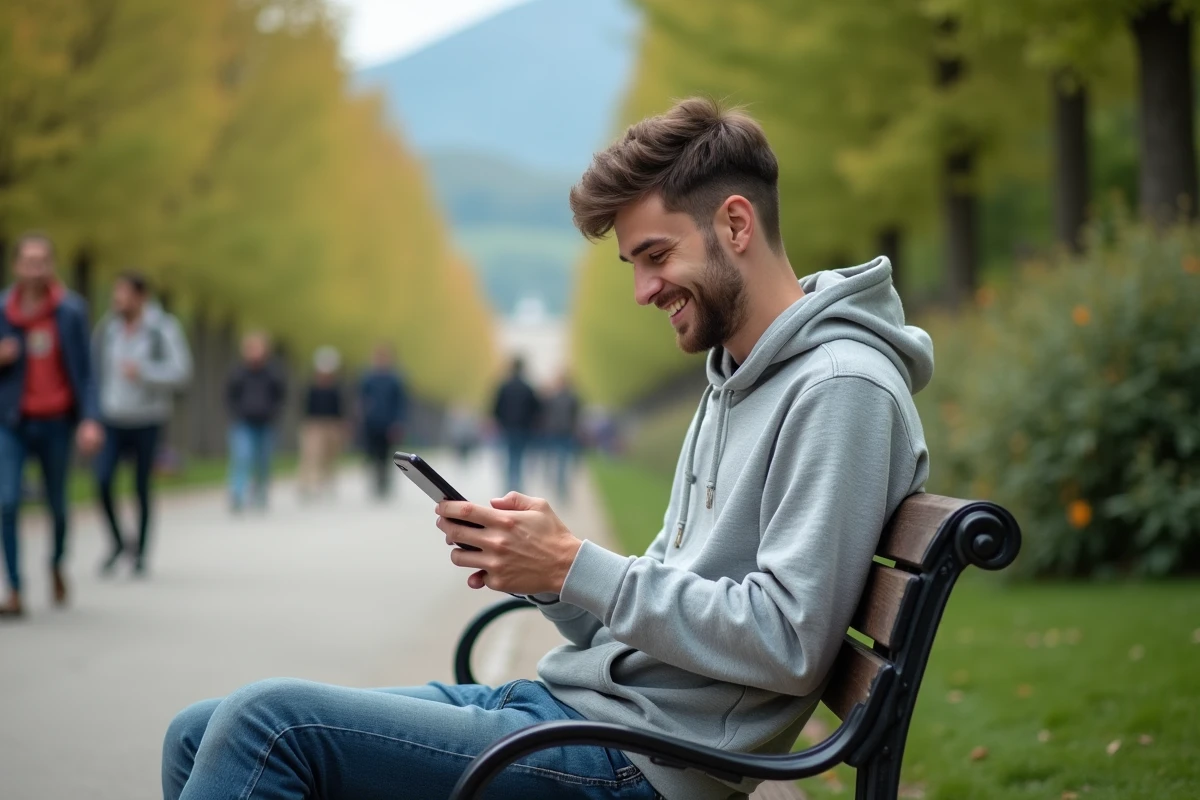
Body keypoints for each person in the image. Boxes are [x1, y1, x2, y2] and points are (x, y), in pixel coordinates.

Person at [163, 98, 933, 800]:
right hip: (582, 716)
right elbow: (650, 613)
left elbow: (787, 642)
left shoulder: (839, 387)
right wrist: (544, 577)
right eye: (632, 265)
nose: (643, 290)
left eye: (656, 255)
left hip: (640, 763)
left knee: (268, 726)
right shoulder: (735, 377)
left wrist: (576, 564)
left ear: (736, 224)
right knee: (201, 728)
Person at [0, 233, 104, 617]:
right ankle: (14, 588)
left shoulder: (70, 311)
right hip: (11, 420)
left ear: (51, 265)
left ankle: (56, 563)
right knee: (7, 502)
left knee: (57, 506)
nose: (35, 268)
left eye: (42, 260)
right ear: (15, 266)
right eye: (27, 261)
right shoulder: (2, 311)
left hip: (57, 420)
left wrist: (90, 418)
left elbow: (87, 372)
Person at [93, 271, 192, 576]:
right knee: (103, 481)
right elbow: (94, 370)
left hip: (148, 419)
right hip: (111, 417)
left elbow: (181, 372)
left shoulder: (163, 328)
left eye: (123, 294)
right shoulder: (108, 328)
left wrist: (145, 372)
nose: (117, 300)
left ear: (141, 297)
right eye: (115, 294)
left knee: (140, 487)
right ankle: (120, 542)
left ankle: (141, 554)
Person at [225, 332, 286, 512]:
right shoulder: (238, 372)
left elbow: (280, 395)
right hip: (243, 422)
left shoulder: (273, 373)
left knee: (263, 460)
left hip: (266, 423)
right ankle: (237, 493)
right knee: (241, 457)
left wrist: (273, 412)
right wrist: (237, 412)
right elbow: (229, 396)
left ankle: (260, 492)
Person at [357, 343, 409, 499]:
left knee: (386, 455)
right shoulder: (368, 378)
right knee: (372, 454)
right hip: (372, 423)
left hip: (388, 423)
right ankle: (376, 481)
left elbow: (401, 403)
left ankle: (384, 482)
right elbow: (361, 399)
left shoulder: (395, 380)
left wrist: (399, 423)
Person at [298, 346, 345, 499]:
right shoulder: (312, 387)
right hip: (314, 424)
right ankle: (308, 484)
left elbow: (340, 408)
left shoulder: (336, 388)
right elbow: (305, 407)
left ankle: (326, 482)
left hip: (332, 424)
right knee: (311, 456)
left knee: (329, 456)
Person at [491, 356, 541, 493]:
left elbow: (496, 407)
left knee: (509, 456)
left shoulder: (504, 386)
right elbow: (536, 408)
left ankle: (509, 486)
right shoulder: (528, 387)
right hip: (523, 428)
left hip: (507, 428)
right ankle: (516, 486)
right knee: (518, 457)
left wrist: (499, 421)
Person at [542, 372, 582, 501]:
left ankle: (560, 486)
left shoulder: (556, 398)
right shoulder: (571, 398)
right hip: (560, 432)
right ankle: (560, 486)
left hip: (561, 432)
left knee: (560, 461)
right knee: (561, 460)